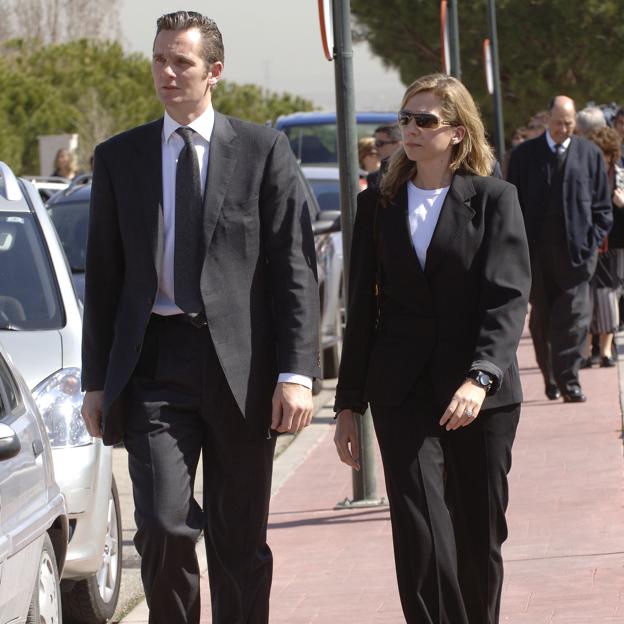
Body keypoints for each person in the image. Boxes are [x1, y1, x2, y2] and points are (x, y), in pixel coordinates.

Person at [80, 11, 320, 624]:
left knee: (239, 541)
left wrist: (296, 371)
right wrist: (96, 381)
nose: (166, 72)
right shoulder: (119, 158)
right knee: (163, 527)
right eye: (159, 58)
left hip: (243, 370)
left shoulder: (264, 150)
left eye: (180, 61)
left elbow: (294, 268)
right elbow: (104, 279)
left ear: (214, 71)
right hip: (155, 365)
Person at [333, 73, 531, 624]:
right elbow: (362, 310)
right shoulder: (378, 205)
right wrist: (349, 404)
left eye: (426, 121)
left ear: (458, 134)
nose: (412, 130)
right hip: (402, 392)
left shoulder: (494, 199)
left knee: (478, 533)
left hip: (480, 397)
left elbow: (508, 298)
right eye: (406, 119)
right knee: (420, 529)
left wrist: (482, 375)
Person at [508, 95, 612, 402]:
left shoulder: (589, 154)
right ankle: (550, 377)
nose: (562, 129)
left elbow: (602, 207)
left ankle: (570, 380)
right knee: (543, 318)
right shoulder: (525, 155)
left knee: (574, 318)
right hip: (537, 257)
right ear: (547, 121)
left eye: (568, 123)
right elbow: (512, 206)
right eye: (557, 123)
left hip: (577, 256)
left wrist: (591, 243)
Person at [582, 127, 624, 367]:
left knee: (609, 295)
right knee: (587, 297)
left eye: (605, 154)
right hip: (589, 244)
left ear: (612, 155)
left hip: (615, 245)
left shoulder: (620, 176)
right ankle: (587, 350)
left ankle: (607, 350)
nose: (601, 159)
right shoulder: (583, 175)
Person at [367, 123, 403, 189]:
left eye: (379, 143)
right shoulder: (373, 177)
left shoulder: (415, 173)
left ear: (398, 144)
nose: (374, 148)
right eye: (374, 144)